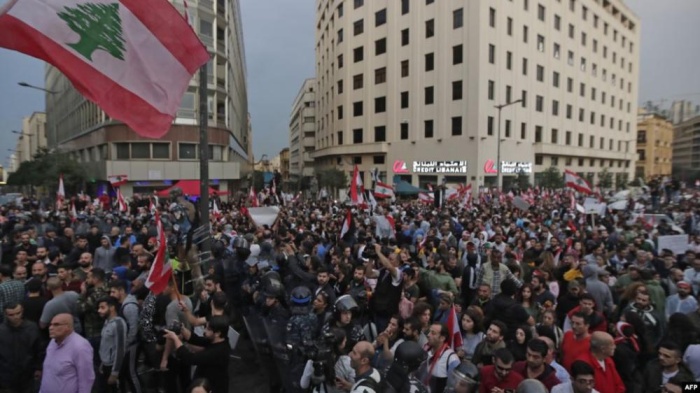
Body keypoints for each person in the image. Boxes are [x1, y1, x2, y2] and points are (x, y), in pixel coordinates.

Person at [163, 315, 230, 393]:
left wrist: (175, 338)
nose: (204, 330)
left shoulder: (218, 352)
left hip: (212, 387)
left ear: (217, 333)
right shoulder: (220, 340)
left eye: (208, 329)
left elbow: (189, 358)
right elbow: (197, 340)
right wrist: (182, 329)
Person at [40, 313, 95, 393]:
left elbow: (86, 379)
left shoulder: (80, 346)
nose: (51, 328)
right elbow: (48, 372)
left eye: (56, 325)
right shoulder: (52, 342)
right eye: (50, 325)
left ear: (68, 327)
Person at [0, 303, 43, 393]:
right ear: (5, 314)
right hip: (6, 377)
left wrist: (38, 368)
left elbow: (39, 349)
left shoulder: (32, 328)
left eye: (18, 313)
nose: (15, 317)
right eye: (11, 315)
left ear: (22, 311)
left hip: (27, 375)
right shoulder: (1, 331)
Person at [96, 296, 127, 393]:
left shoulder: (118, 324)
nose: (99, 310)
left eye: (102, 307)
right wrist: (102, 363)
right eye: (99, 308)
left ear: (112, 307)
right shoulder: (107, 321)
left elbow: (120, 349)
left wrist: (115, 372)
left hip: (113, 366)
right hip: (105, 365)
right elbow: (105, 344)